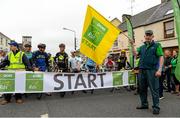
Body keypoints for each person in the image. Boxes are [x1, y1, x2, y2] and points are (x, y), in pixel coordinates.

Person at [131, 30, 164, 115]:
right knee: (142, 88)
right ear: (144, 36)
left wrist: (159, 69)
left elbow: (161, 57)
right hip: (141, 70)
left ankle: (156, 107)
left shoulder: (157, 45)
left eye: (150, 35)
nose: (148, 36)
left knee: (154, 89)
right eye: (147, 35)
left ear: (153, 36)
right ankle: (144, 104)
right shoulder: (142, 47)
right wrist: (132, 45)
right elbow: (135, 54)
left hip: (152, 71)